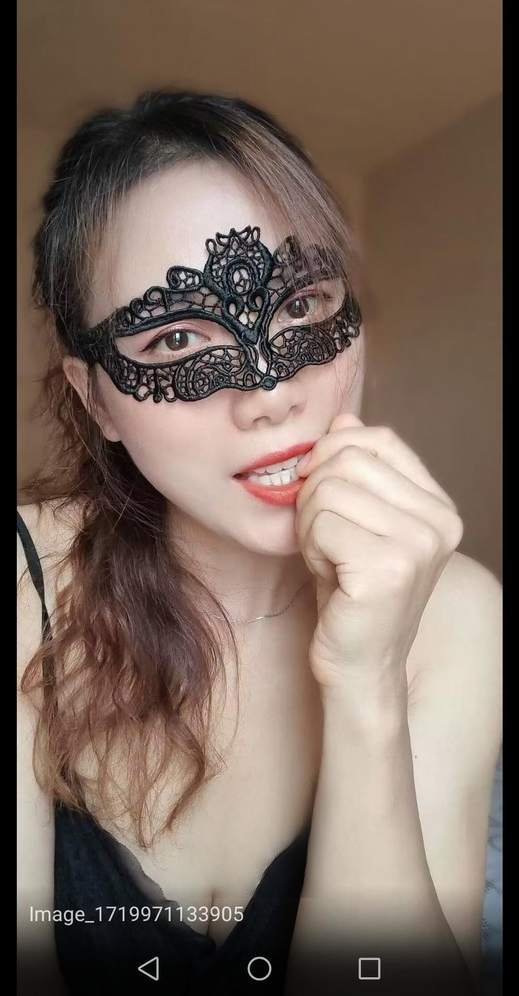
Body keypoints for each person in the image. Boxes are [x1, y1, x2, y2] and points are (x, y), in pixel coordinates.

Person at [17, 90, 502, 996]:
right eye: (176, 337)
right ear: (95, 399)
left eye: (301, 303)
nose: (271, 394)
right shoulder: (24, 586)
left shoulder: (460, 612)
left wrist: (366, 685)